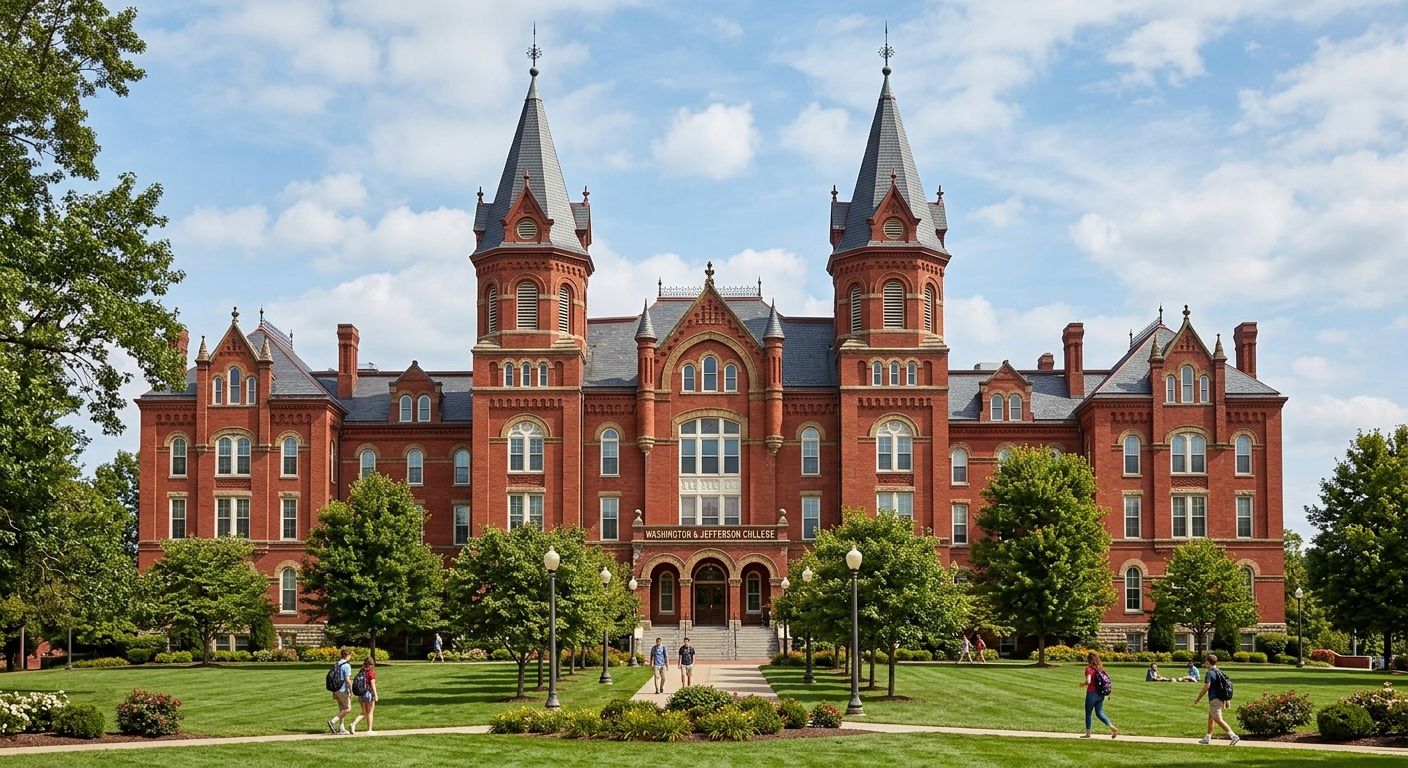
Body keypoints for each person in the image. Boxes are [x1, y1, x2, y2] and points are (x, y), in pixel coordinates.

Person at [1193, 654, 1239, 746]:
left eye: (1205, 661)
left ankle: (1233, 735)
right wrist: (1227, 700)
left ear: (1207, 662)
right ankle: (1208, 737)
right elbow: (1225, 687)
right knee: (1211, 717)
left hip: (1214, 699)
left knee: (1218, 719)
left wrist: (1198, 698)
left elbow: (1207, 686)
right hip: (1220, 698)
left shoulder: (1210, 673)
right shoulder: (1220, 672)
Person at [1080, 651, 1118, 739]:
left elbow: (1088, 681)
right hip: (1100, 694)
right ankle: (1111, 726)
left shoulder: (1089, 669)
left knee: (1088, 713)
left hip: (1091, 693)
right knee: (1099, 712)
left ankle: (1088, 732)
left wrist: (1083, 683)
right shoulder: (1100, 669)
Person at [348, 656, 378, 735]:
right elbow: (372, 684)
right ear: (372, 664)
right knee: (370, 712)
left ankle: (353, 724)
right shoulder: (371, 673)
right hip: (368, 693)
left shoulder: (361, 671)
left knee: (364, 712)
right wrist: (375, 695)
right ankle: (369, 730)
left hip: (361, 693)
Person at [327, 647, 354, 735]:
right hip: (343, 689)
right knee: (347, 708)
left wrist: (334, 692)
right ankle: (332, 721)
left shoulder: (337, 664)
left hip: (336, 689)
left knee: (341, 709)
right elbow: (347, 679)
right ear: (347, 656)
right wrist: (351, 690)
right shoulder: (346, 665)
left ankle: (342, 728)